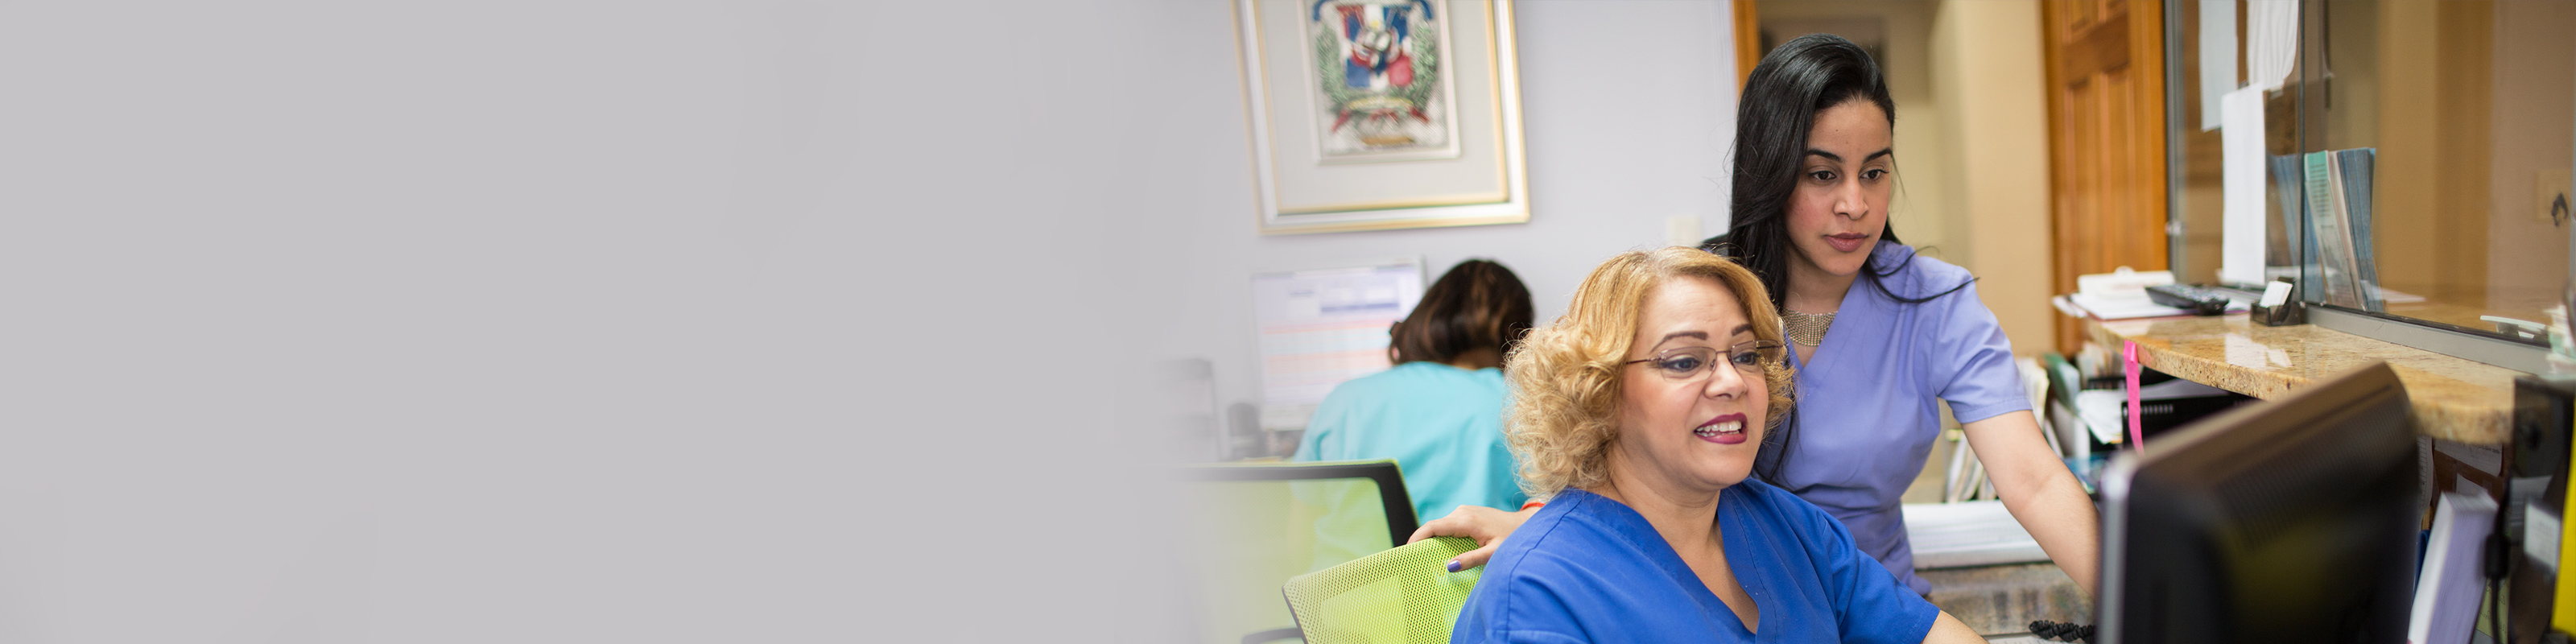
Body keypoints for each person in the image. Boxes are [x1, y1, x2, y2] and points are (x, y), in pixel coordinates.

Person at [1418, 33, 2099, 598]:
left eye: (1875, 172)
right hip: (1714, 600)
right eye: (1822, 174)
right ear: (1772, 173)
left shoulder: (1935, 301)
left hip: (1875, 602)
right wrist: (1542, 526)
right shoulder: (1701, 296)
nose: (1856, 205)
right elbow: (1614, 443)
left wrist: (2144, 605)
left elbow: (2033, 479)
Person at [1448, 247, 1982, 643]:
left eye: (1747, 356)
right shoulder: (1538, 595)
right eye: (1684, 361)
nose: (1732, 381)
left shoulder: (1790, 528)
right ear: (1599, 392)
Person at [1294, 258, 1534, 523]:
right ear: (1517, 335)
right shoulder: (1516, 402)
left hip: (1342, 566)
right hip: (1465, 565)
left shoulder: (1343, 400)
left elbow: (1299, 528)